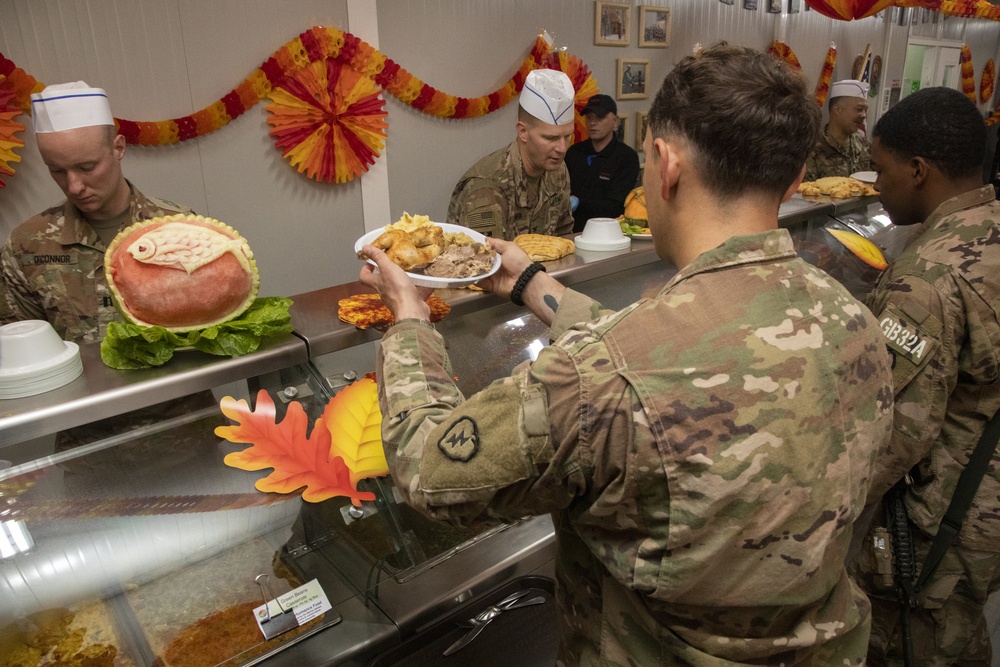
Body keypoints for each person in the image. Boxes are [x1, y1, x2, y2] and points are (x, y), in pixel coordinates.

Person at [361, 43, 894, 665]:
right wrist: (532, 283)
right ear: (796, 176)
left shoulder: (599, 378)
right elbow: (664, 347)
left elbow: (428, 471)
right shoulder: (854, 320)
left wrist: (408, 321)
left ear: (665, 166)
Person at [851, 87, 1000, 666]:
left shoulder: (929, 278)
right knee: (959, 635)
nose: (876, 185)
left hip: (942, 523)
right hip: (984, 503)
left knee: (911, 641)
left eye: (881, 168)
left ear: (918, 170)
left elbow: (894, 434)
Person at [0, 81, 191, 344]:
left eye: (87, 167)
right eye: (57, 170)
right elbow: (21, 349)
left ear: (118, 148)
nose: (74, 186)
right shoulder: (26, 247)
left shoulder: (179, 228)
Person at [445, 69, 575, 240]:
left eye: (567, 136)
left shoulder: (557, 170)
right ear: (523, 132)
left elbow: (563, 238)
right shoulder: (487, 187)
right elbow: (487, 255)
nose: (562, 148)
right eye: (551, 138)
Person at [564, 94, 640, 232]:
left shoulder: (627, 157)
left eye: (600, 117)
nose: (593, 123)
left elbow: (616, 206)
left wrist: (579, 202)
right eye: (589, 117)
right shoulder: (574, 153)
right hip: (570, 230)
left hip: (607, 232)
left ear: (615, 121)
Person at [804, 79, 872, 181]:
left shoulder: (865, 144)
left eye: (865, 110)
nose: (864, 115)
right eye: (859, 109)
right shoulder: (813, 149)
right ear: (837, 110)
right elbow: (805, 189)